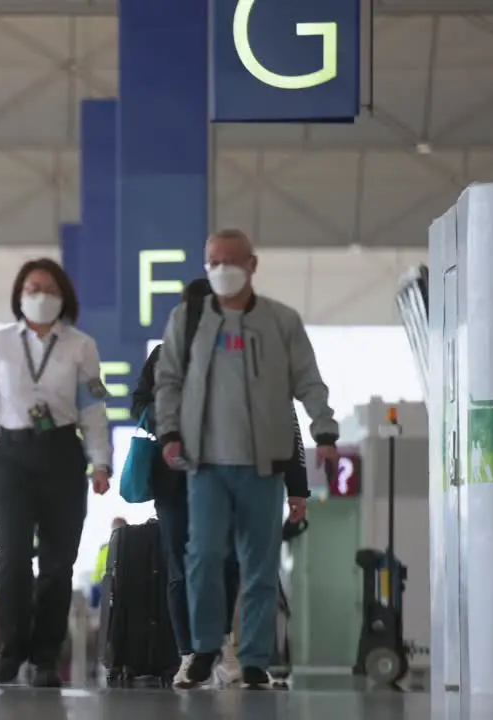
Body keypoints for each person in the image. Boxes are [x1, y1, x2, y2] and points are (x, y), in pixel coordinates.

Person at [153, 229, 338, 689]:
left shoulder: (281, 322)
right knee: (203, 557)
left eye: (232, 260)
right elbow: (168, 379)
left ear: (253, 265)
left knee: (259, 563)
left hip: (263, 463)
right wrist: (170, 432)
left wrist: (325, 430)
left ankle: (254, 658)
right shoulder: (188, 320)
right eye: (214, 261)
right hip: (206, 463)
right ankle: (204, 648)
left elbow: (308, 381)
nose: (222, 269)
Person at [0, 257, 112, 688]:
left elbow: (94, 408)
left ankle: (45, 658)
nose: (40, 296)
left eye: (49, 289)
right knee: (13, 555)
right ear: (19, 296)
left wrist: (101, 461)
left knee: (59, 563)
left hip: (62, 455)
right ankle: (12, 646)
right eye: (31, 288)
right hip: (13, 458)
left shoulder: (82, 346)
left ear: (64, 297)